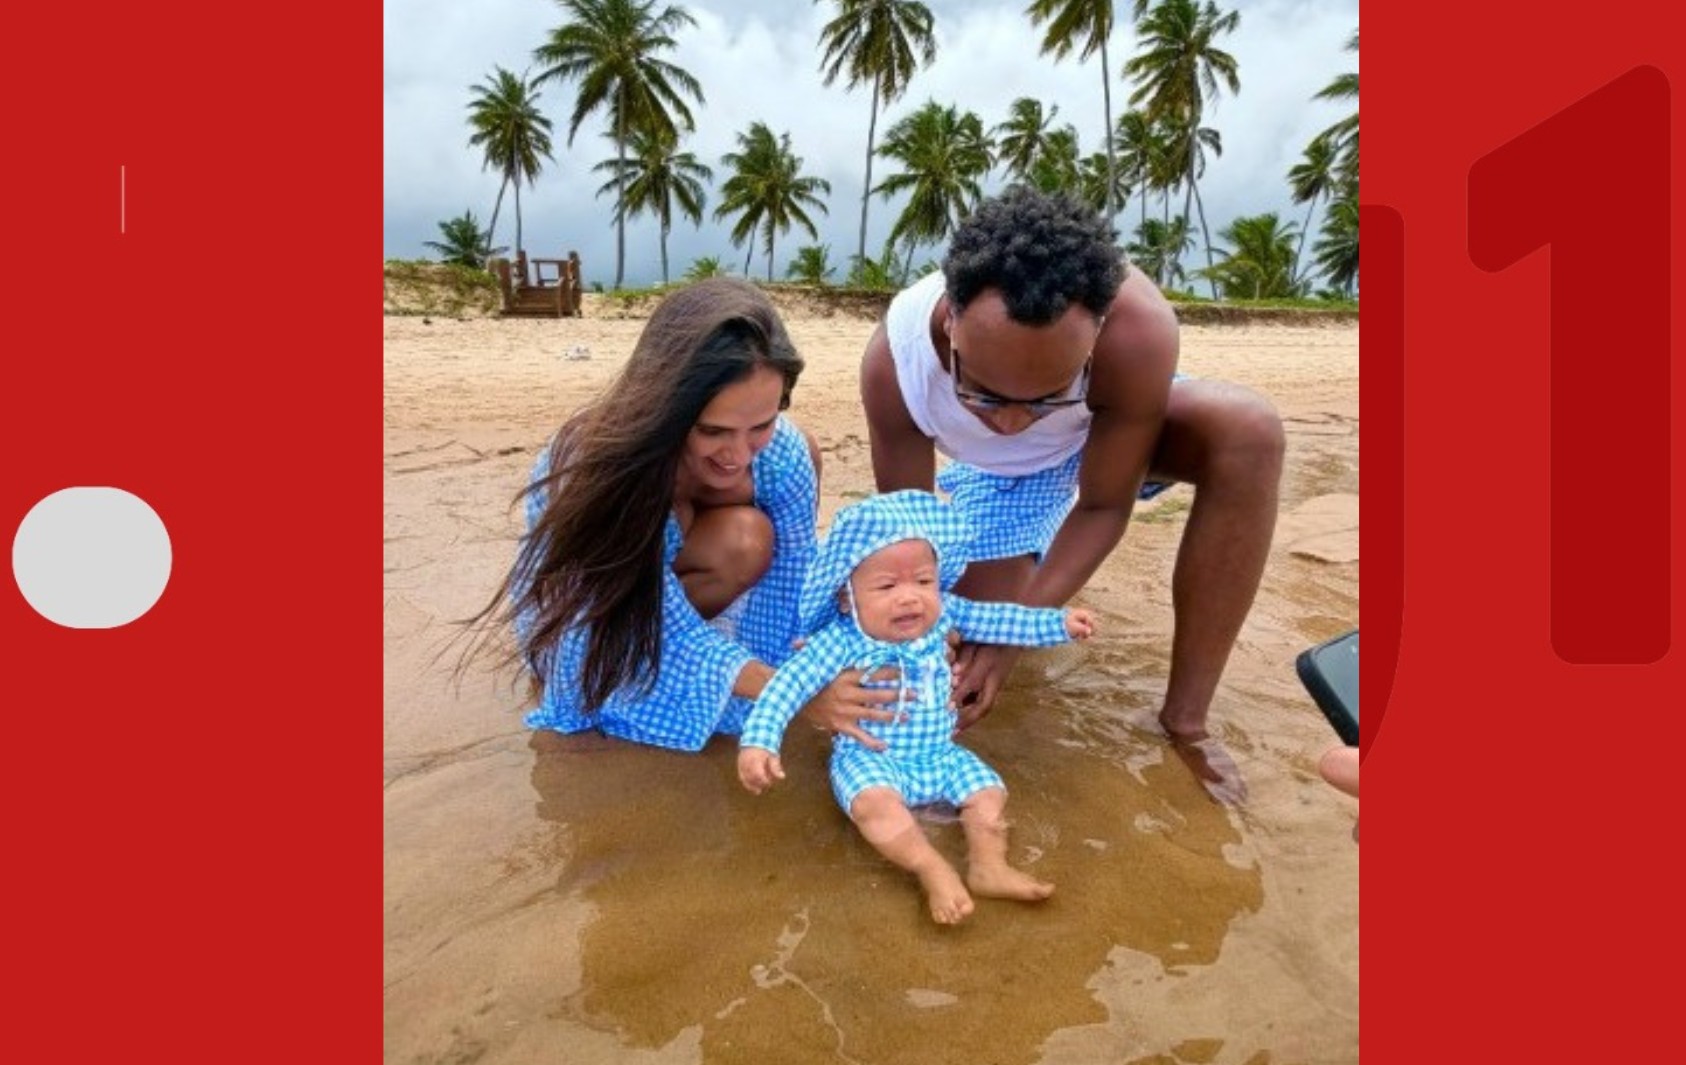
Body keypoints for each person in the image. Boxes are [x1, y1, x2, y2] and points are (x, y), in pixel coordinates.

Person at [858, 186, 1285, 744]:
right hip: (1000, 478)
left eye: (1046, 396)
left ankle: (1186, 722)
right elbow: (912, 536)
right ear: (952, 326)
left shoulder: (1136, 332)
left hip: (1108, 439)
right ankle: (1018, 558)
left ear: (1097, 338)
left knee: (1248, 431)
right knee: (961, 643)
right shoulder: (897, 363)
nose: (1013, 424)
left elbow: (1104, 505)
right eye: (983, 395)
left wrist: (1019, 634)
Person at [465, 277, 902, 750]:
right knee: (601, 678)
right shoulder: (597, 463)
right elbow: (657, 621)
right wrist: (792, 692)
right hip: (594, 609)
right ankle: (666, 664)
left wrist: (865, 633)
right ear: (665, 408)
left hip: (686, 580)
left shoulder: (781, 456)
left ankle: (707, 657)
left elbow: (795, 585)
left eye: (761, 424)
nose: (738, 454)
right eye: (712, 430)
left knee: (749, 538)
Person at [737, 490, 1096, 925]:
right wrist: (759, 742)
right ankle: (931, 869)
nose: (909, 597)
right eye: (887, 586)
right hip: (871, 758)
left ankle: (989, 865)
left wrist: (1059, 623)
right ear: (847, 599)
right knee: (875, 807)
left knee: (988, 792)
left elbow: (1003, 618)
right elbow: (786, 687)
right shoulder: (841, 640)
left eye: (924, 582)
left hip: (940, 754)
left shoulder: (945, 617)